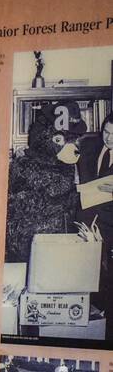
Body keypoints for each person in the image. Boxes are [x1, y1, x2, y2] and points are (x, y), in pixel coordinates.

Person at [77, 116, 113, 324]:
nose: (110, 139)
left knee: (106, 276)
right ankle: (85, 317)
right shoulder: (89, 146)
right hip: (84, 220)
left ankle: (104, 320)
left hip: (109, 226)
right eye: (107, 132)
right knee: (83, 273)